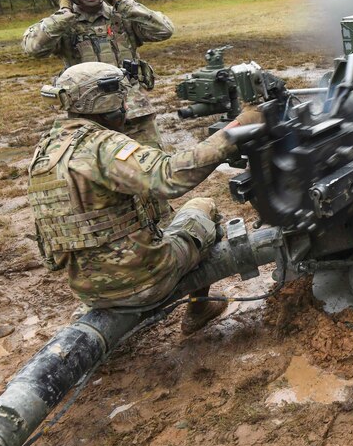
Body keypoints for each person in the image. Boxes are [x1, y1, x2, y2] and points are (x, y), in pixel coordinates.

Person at [28, 61, 261, 334]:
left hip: (86, 288)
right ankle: (199, 309)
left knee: (162, 222)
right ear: (107, 102)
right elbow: (171, 177)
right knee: (203, 208)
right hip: (143, 280)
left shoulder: (46, 150)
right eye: (122, 100)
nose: (126, 108)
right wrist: (239, 127)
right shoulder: (103, 146)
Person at [22, 0, 173, 149]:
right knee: (98, 174)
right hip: (89, 114)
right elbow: (33, 49)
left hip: (134, 111)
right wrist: (64, 15)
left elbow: (165, 30)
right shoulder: (62, 24)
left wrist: (124, 4)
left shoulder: (123, 16)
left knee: (152, 170)